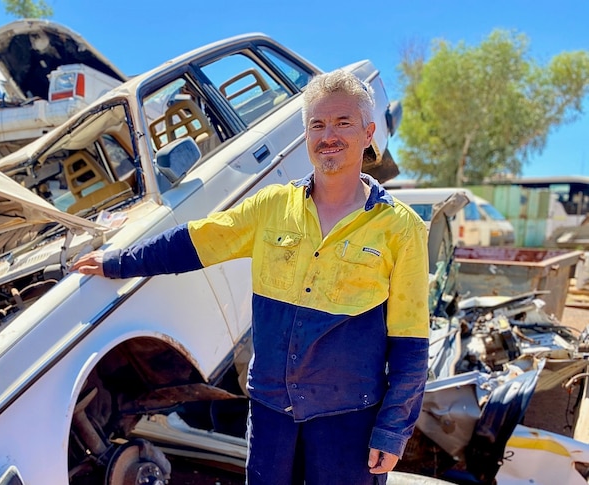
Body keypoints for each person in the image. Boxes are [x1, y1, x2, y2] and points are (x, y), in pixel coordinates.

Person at [72, 69, 429, 484]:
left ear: (368, 133)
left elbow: (410, 342)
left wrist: (393, 430)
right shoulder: (271, 207)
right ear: (305, 135)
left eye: (343, 122)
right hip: (271, 415)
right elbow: (195, 241)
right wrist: (117, 262)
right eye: (317, 124)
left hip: (348, 419)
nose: (328, 134)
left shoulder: (400, 228)